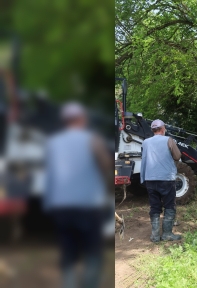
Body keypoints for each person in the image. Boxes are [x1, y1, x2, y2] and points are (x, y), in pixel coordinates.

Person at [44, 102, 111, 288]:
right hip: (88, 205)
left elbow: (49, 174)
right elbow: (105, 165)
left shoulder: (52, 142)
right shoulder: (93, 139)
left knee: (67, 253)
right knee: (93, 251)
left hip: (61, 205)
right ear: (82, 119)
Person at [140, 119, 182, 242]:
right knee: (169, 205)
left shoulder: (145, 142)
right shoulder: (169, 140)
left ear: (153, 130)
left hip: (150, 179)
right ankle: (167, 234)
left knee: (155, 206)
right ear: (163, 128)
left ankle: (155, 236)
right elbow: (177, 156)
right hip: (166, 179)